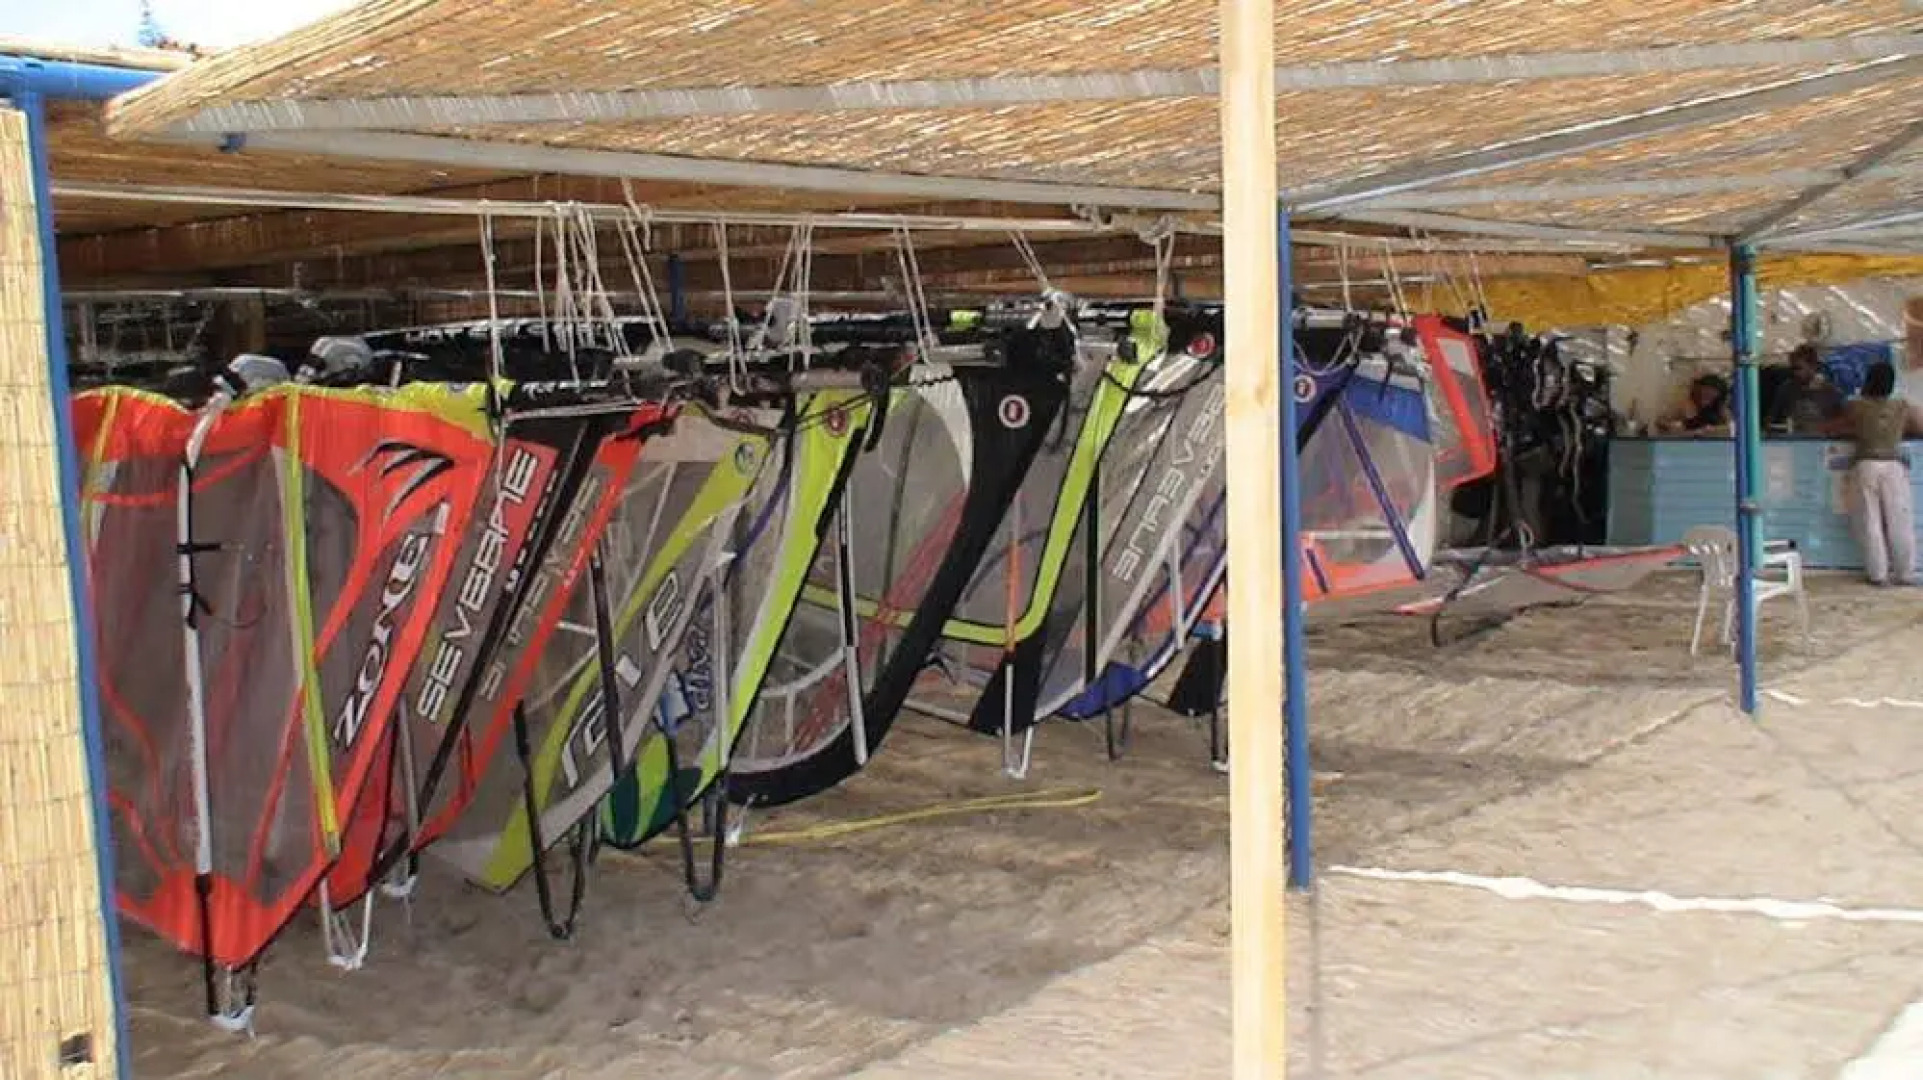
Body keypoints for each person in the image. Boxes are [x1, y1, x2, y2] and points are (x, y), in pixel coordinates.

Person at [1826, 362, 1922, 586]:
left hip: (1866, 464)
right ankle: (1905, 573)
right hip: (1894, 465)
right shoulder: (1903, 406)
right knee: (1900, 520)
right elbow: (1920, 427)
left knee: (1869, 521)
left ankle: (1878, 575)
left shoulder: (1855, 406)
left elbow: (1832, 428)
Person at [1768, 344, 1846, 432]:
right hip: (1790, 436)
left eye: (1798, 368)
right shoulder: (1786, 389)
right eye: (1792, 369)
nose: (1794, 373)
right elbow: (1771, 419)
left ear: (1813, 366)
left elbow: (1844, 422)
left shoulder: (1831, 392)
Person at [1657, 373, 1730, 436]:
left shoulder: (1720, 408)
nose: (1708, 394)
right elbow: (1660, 421)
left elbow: (1731, 427)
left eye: (1713, 393)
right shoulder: (1682, 405)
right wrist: (1671, 426)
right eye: (1706, 390)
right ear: (1698, 389)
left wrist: (1714, 429)